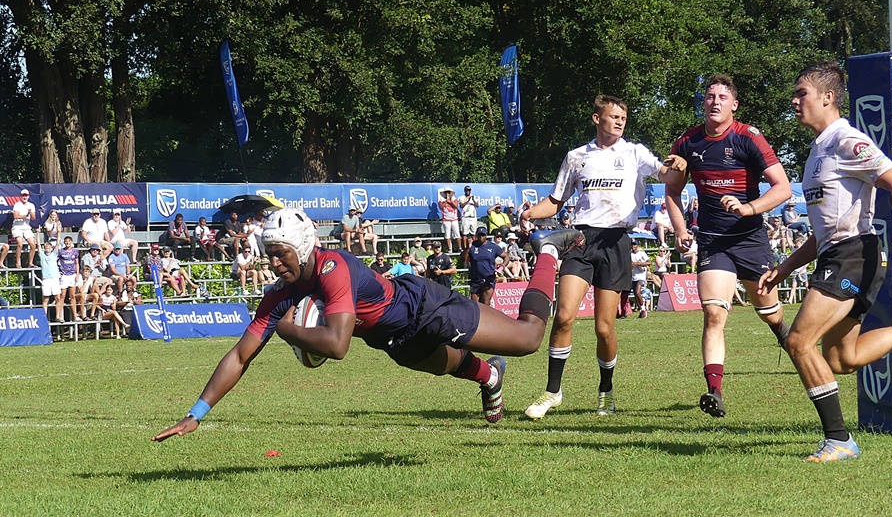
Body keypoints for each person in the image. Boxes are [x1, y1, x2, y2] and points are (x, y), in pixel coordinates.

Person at [152, 209, 579, 442]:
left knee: (527, 337)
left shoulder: (333, 266)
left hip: (422, 307)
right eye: (269, 254)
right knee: (450, 366)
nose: (274, 262)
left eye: (280, 252)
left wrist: (287, 330)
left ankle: (546, 250)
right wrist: (197, 413)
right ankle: (490, 376)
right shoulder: (279, 294)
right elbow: (240, 355)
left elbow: (337, 346)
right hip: (390, 337)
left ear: (301, 247)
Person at [757, 61, 892, 462]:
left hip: (854, 256)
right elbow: (823, 232)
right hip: (840, 254)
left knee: (799, 342)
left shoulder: (847, 141)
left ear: (827, 98)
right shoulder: (817, 149)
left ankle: (839, 440)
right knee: (842, 359)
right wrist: (784, 268)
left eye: (802, 94)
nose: (794, 101)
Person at [519, 94, 679, 419]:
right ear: (597, 118)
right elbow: (555, 200)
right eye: (613, 116)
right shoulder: (577, 157)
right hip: (580, 239)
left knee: (604, 328)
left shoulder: (635, 153)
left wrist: (680, 165)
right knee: (563, 316)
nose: (620, 121)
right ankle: (552, 392)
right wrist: (530, 213)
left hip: (616, 241)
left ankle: (606, 391)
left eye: (623, 117)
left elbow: (666, 175)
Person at [664, 74, 793, 419]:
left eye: (722, 96)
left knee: (769, 313)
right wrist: (680, 229)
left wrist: (749, 208)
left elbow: (782, 188)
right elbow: (672, 190)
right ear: (703, 103)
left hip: (750, 238)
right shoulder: (688, 142)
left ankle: (786, 335)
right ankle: (714, 391)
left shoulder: (748, 138)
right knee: (714, 313)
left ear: (733, 105)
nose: (715, 101)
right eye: (709, 96)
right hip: (713, 241)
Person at [462, 227, 507, 306]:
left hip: (488, 277)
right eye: (479, 235)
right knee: (475, 305)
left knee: (486, 303)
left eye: (483, 235)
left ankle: (486, 318)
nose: (481, 237)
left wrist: (502, 266)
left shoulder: (492, 246)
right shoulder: (472, 245)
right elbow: (462, 259)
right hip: (476, 278)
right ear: (476, 235)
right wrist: (467, 248)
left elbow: (506, 256)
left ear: (486, 235)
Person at [55, 236, 81, 323]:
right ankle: (60, 316)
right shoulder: (61, 251)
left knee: (72, 296)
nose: (67, 243)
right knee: (62, 296)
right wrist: (58, 271)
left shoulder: (75, 251)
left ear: (72, 242)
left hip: (72, 275)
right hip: (64, 276)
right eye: (66, 242)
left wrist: (77, 274)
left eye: (69, 241)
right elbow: (55, 261)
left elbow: (77, 263)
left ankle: (75, 316)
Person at [11, 188, 38, 268]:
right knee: (20, 244)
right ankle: (18, 263)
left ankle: (30, 263)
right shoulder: (17, 204)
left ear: (28, 196)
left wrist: (30, 212)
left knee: (33, 245)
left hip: (26, 227)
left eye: (26, 195)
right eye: (23, 195)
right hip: (17, 227)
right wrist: (26, 215)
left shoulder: (31, 205)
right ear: (21, 196)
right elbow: (15, 216)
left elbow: (33, 218)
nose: (24, 197)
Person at [39, 241, 61, 327]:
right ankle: (44, 317)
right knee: (46, 299)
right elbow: (38, 245)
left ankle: (58, 316)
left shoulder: (54, 254)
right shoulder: (42, 255)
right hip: (46, 279)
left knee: (58, 298)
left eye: (49, 248)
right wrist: (37, 233)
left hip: (55, 279)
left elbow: (58, 244)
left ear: (51, 249)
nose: (47, 249)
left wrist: (59, 232)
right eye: (46, 248)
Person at [629, 240, 650, 319]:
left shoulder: (641, 253)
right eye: (632, 245)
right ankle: (641, 310)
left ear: (637, 245)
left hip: (641, 275)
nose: (633, 246)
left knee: (638, 292)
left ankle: (643, 309)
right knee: (635, 294)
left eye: (635, 245)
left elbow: (649, 262)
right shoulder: (629, 254)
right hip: (633, 276)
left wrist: (637, 264)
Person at [438, 188, 459, 252]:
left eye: (448, 192)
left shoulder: (455, 199)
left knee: (457, 234)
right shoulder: (441, 200)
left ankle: (460, 248)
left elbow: (456, 206)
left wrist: (450, 200)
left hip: (454, 219)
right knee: (447, 234)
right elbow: (441, 207)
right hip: (446, 220)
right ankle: (450, 248)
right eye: (446, 192)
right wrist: (446, 201)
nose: (447, 194)